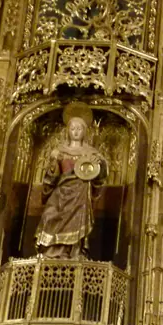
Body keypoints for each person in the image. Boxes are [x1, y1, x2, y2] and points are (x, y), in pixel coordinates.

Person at [35, 111, 108, 259]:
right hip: (60, 192)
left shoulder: (91, 153)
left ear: (84, 132)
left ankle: (75, 252)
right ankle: (52, 253)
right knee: (49, 216)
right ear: (68, 131)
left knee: (77, 221)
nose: (76, 131)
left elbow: (99, 177)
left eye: (79, 128)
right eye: (72, 128)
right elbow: (52, 177)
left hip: (80, 194)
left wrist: (100, 164)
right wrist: (53, 162)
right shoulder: (59, 151)